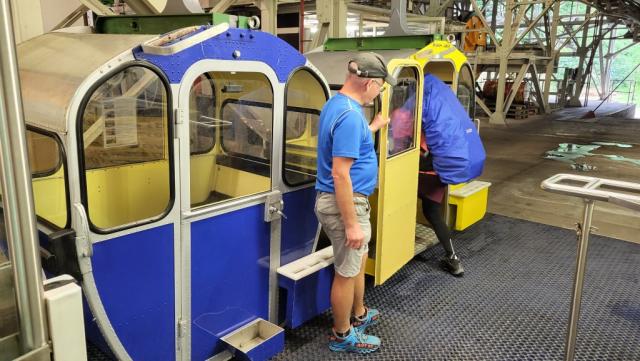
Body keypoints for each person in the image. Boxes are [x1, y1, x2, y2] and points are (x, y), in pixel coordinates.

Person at [314, 52, 396, 354]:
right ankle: (342, 334)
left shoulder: (338, 105)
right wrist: (351, 225)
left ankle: (359, 313)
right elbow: (340, 174)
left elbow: (348, 143)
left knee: (357, 264)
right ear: (370, 84)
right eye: (381, 87)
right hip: (345, 205)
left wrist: (372, 127)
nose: (380, 92)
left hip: (347, 202)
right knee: (346, 273)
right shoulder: (350, 116)